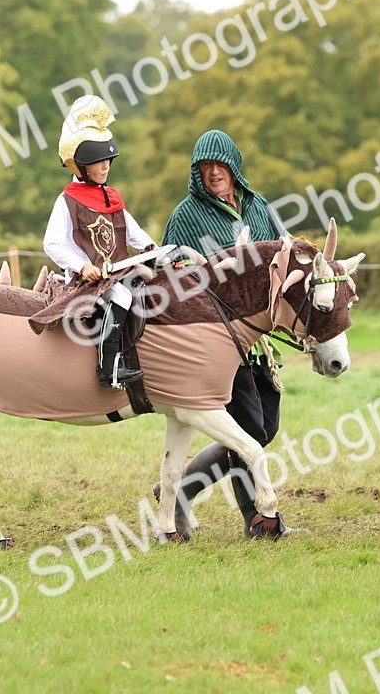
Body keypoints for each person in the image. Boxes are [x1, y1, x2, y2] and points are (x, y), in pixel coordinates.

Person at [160, 128, 301, 537]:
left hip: (259, 340)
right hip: (214, 340)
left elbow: (282, 252)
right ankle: (258, 519)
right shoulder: (187, 215)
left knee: (266, 427)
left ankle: (182, 490)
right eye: (205, 167)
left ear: (234, 167)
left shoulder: (258, 206)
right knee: (249, 431)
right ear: (196, 172)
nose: (214, 172)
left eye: (220, 165)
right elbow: (172, 274)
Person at [44, 95, 158, 389]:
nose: (106, 166)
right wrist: (82, 266)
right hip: (88, 278)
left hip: (117, 272)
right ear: (81, 166)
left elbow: (134, 235)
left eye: (108, 159)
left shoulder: (112, 197)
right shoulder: (67, 200)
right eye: (98, 161)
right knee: (122, 297)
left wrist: (157, 252)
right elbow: (52, 244)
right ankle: (109, 368)